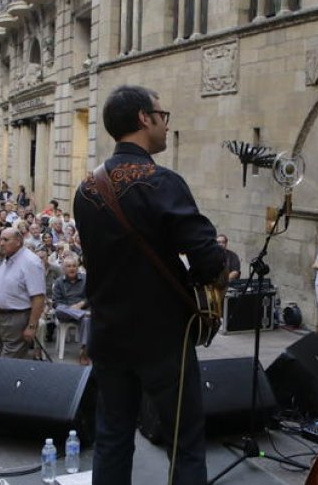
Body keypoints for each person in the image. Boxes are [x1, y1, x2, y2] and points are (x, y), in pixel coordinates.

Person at [73, 85, 226, 485]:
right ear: (145, 118)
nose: (165, 122)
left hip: (107, 334)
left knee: (112, 438)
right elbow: (208, 259)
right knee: (185, 443)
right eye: (163, 114)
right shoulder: (162, 181)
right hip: (161, 338)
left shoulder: (86, 190)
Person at [0, 228, 45, 358]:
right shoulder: (7, 258)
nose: (1, 243)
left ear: (18, 241)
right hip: (1, 318)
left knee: (7, 365)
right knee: (0, 359)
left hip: (17, 318)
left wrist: (32, 326)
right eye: (1, 239)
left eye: (6, 240)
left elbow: (38, 297)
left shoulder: (30, 262)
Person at [51, 255, 90, 365]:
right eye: (68, 266)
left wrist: (81, 304)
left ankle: (84, 351)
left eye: (74, 266)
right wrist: (70, 309)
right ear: (63, 269)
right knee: (59, 309)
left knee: (87, 320)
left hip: (82, 309)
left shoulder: (85, 279)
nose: (72, 268)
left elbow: (91, 296)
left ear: (77, 268)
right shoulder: (59, 282)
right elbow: (56, 302)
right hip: (65, 312)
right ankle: (82, 314)